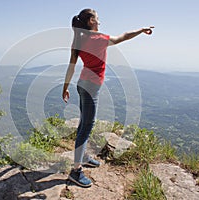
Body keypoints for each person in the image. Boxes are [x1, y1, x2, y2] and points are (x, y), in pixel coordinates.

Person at [62, 8, 154, 188]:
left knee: (84, 123)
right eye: (97, 18)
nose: (100, 21)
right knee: (86, 127)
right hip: (90, 88)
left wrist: (65, 88)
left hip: (81, 85)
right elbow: (123, 36)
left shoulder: (78, 41)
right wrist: (141, 30)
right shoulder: (99, 39)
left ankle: (84, 157)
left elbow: (71, 67)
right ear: (90, 21)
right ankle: (76, 171)